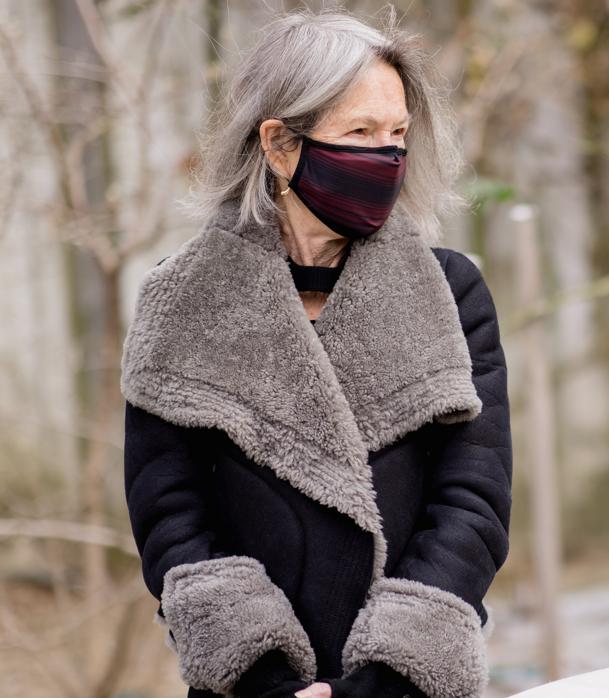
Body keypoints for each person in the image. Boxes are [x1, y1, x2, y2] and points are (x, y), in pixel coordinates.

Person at [119, 7, 511, 698]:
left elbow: (473, 504)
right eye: (359, 133)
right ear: (278, 145)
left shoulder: (450, 293)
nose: (387, 156)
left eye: (397, 135)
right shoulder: (182, 304)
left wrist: (385, 676)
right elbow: (171, 520)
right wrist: (263, 675)